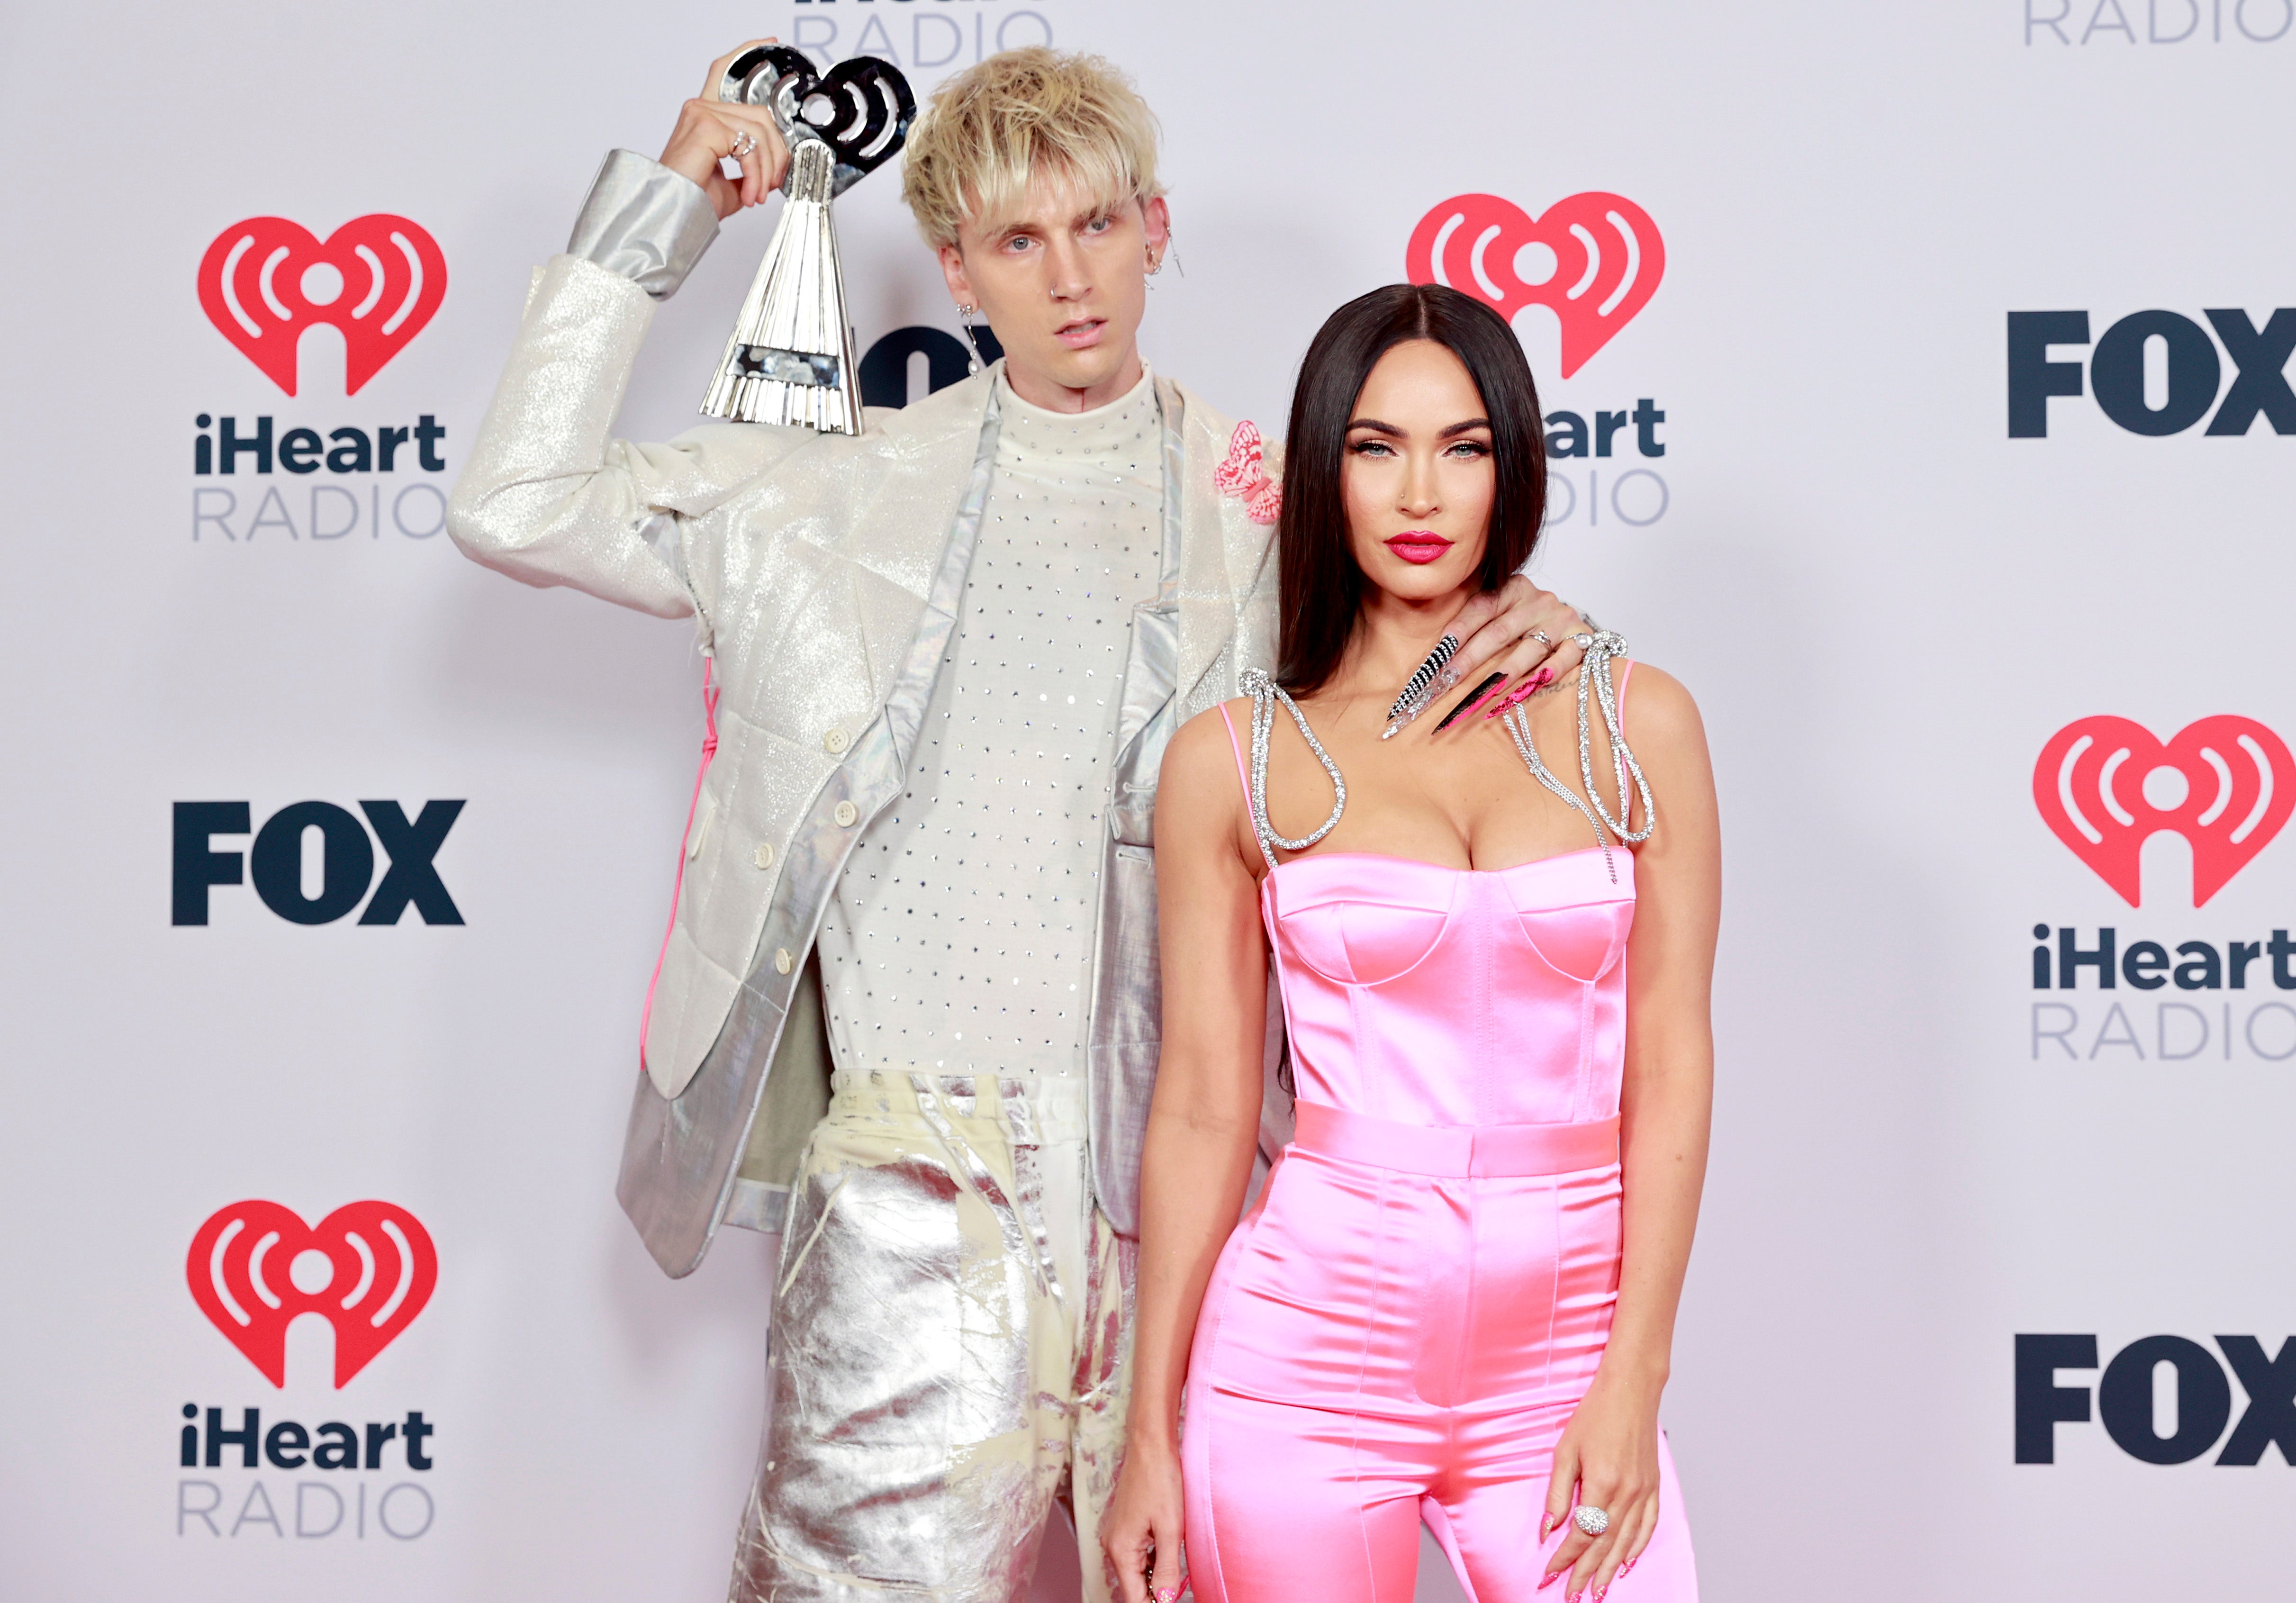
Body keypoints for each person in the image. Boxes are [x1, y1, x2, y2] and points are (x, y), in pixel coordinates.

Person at [448, 45, 1600, 1603]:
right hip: (913, 1198)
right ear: (957, 270)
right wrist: (664, 211)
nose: (1072, 278)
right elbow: (515, 500)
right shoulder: (821, 495)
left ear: (1157, 226)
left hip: (1201, 1210)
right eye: (1018, 241)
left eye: (1101, 225)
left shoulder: (1280, 519)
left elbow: (1433, 670)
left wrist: (1522, 616)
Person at [1100, 284, 1718, 1603]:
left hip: (1564, 1365)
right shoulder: (1237, 763)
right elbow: (1206, 1110)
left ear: (1515, 462)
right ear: (1325, 468)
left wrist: (1636, 1374)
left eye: (1466, 445)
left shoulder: (1639, 724)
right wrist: (1148, 1437)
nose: (1421, 492)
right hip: (1302, 1364)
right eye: (1377, 447)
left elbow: (1669, 1063)